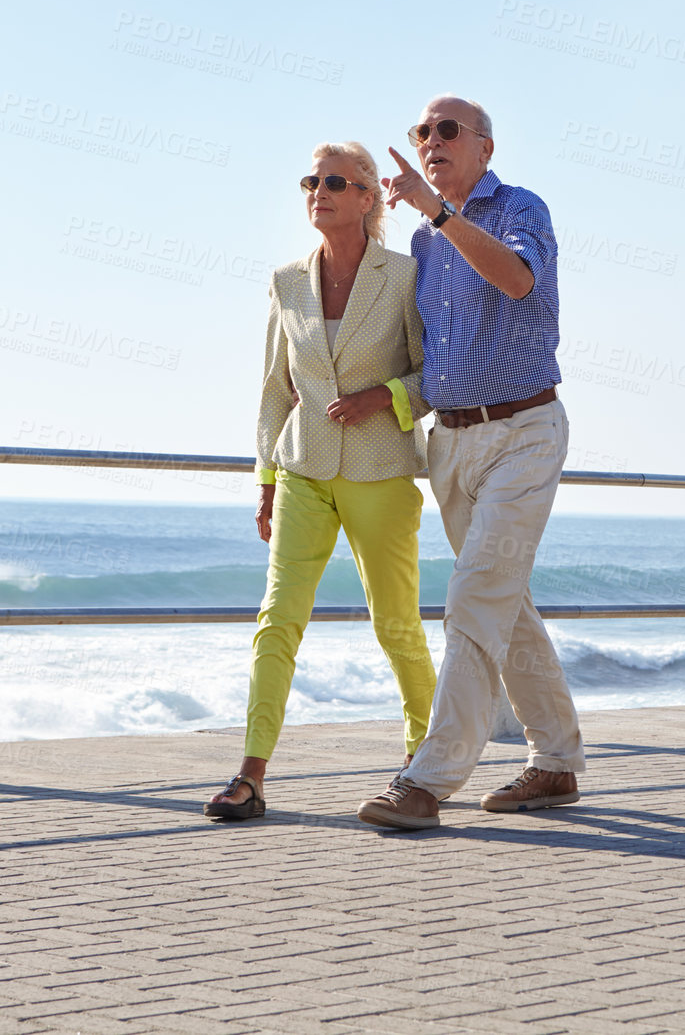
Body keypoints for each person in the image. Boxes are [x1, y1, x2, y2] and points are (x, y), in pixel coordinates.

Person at [356, 96, 585, 830]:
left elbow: (517, 279)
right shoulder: (424, 246)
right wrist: (376, 396)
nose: (430, 142)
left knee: (475, 596)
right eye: (421, 132)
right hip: (449, 444)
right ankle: (555, 762)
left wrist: (442, 215)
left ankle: (428, 778)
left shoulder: (520, 207)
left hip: (524, 432)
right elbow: (438, 363)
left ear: (484, 147)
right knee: (504, 604)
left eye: (447, 130)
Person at [204, 141, 434, 820]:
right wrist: (267, 479)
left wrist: (384, 396)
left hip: (381, 472)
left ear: (368, 197)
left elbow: (434, 378)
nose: (318, 191)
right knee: (277, 621)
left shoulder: (405, 275)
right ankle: (251, 775)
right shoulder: (287, 281)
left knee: (396, 624)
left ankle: (424, 761)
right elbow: (275, 391)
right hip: (302, 469)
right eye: (310, 180)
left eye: (335, 181)